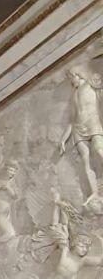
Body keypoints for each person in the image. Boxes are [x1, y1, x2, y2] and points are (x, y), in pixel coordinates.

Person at [59, 68, 103, 197]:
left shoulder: (91, 83)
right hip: (78, 128)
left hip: (93, 122)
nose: (71, 81)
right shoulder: (73, 94)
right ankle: (94, 193)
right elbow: (72, 120)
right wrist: (63, 139)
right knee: (86, 161)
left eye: (71, 78)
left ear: (77, 75)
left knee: (99, 150)